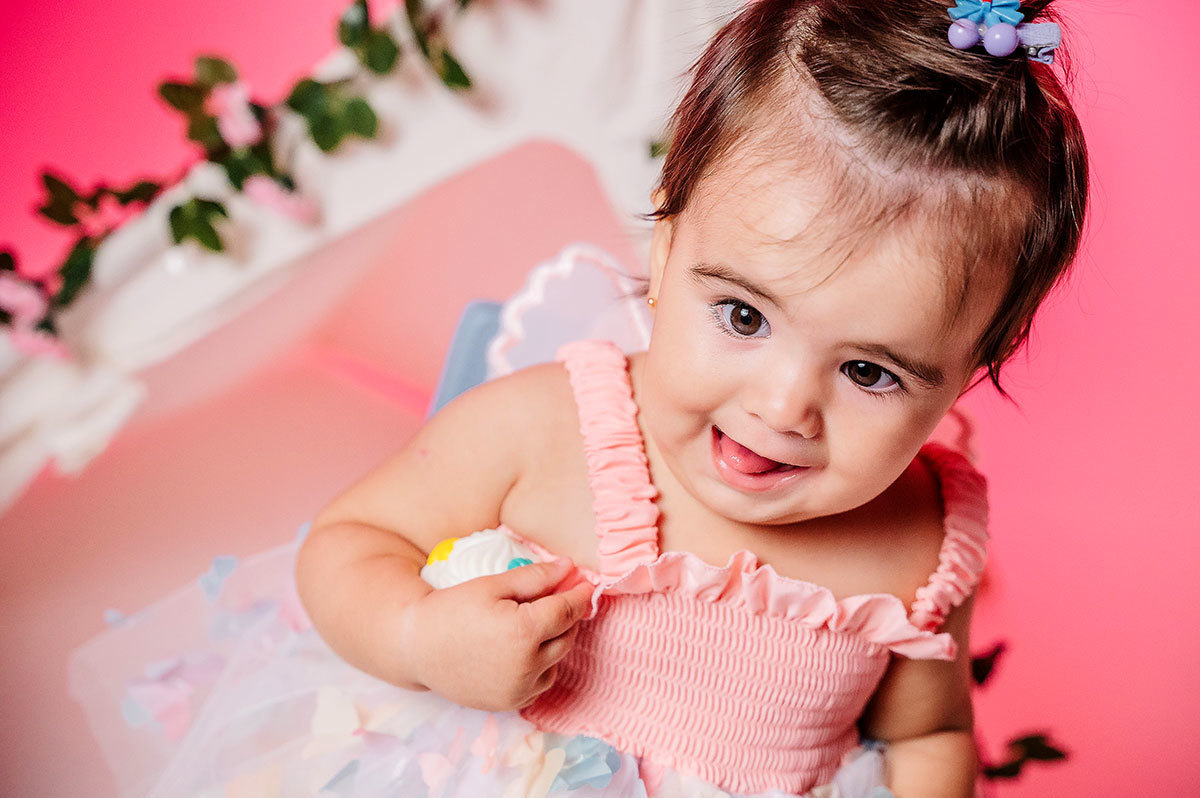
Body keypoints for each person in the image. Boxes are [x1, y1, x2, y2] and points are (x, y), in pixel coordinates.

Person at [116, 1, 1088, 796]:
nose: (786, 406)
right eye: (744, 317)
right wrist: (419, 633)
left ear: (971, 368)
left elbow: (928, 735)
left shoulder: (925, 541)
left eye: (870, 372)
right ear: (665, 253)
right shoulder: (553, 428)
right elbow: (348, 544)